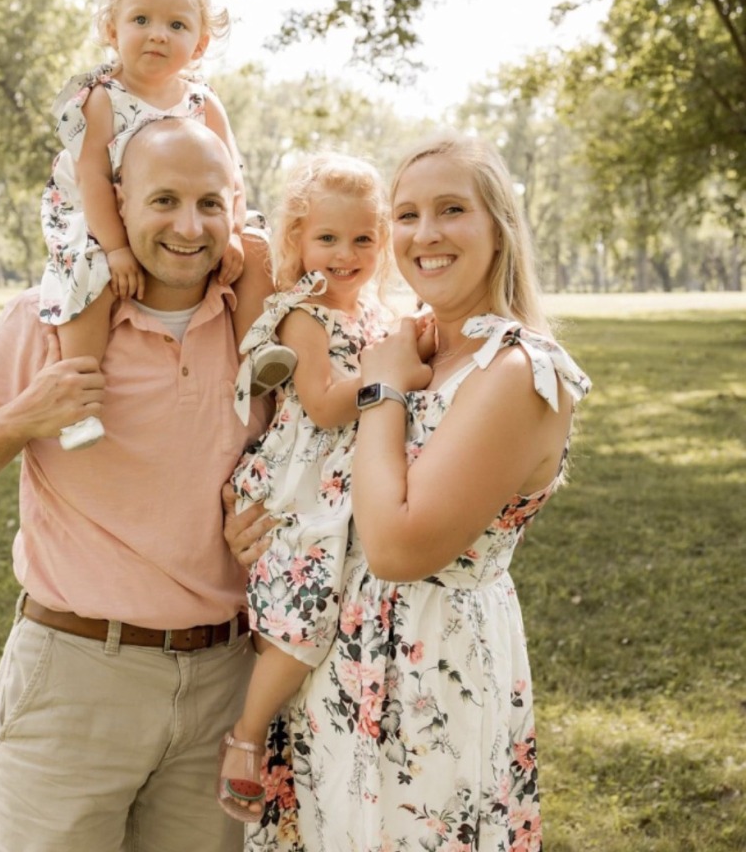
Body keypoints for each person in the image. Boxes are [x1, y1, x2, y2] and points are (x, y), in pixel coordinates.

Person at [0, 118, 272, 852]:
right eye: (163, 199)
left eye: (210, 202)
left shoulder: (262, 332)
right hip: (78, 677)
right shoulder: (50, 318)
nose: (188, 225)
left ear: (236, 206)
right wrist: (23, 416)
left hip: (224, 685)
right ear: (118, 203)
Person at [227, 131, 592, 850]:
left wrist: (385, 388)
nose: (425, 234)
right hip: (341, 662)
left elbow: (395, 547)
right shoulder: (417, 342)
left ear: (499, 227)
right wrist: (264, 515)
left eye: (452, 210)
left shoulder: (517, 371)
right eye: (409, 214)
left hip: (428, 685)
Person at [39, 0, 291, 450]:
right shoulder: (102, 100)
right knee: (90, 272)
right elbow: (91, 181)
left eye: (176, 25)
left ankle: (256, 354)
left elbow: (233, 175)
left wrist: (238, 233)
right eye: (141, 21)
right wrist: (115, 248)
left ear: (198, 44)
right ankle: (76, 396)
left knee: (260, 247)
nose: (157, 35)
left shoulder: (204, 103)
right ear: (113, 30)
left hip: (184, 212)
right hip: (98, 212)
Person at [218, 154, 406, 822]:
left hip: (347, 497)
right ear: (297, 241)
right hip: (301, 494)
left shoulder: (382, 318)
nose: (346, 253)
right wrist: (390, 370)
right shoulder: (304, 313)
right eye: (327, 238)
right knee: (303, 626)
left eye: (362, 239)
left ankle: (287, 757)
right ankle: (244, 737)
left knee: (337, 620)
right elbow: (326, 405)